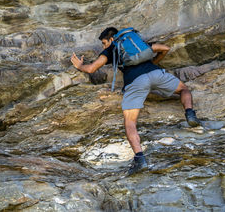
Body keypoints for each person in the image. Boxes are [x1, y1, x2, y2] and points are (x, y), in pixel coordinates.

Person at [71, 27, 202, 175]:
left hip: (136, 82)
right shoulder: (136, 44)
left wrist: (80, 65)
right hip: (155, 73)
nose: (103, 46)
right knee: (184, 89)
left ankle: (140, 159)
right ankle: (190, 114)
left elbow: (91, 69)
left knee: (130, 122)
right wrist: (154, 62)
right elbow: (165, 48)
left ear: (111, 39)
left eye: (104, 42)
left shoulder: (111, 50)